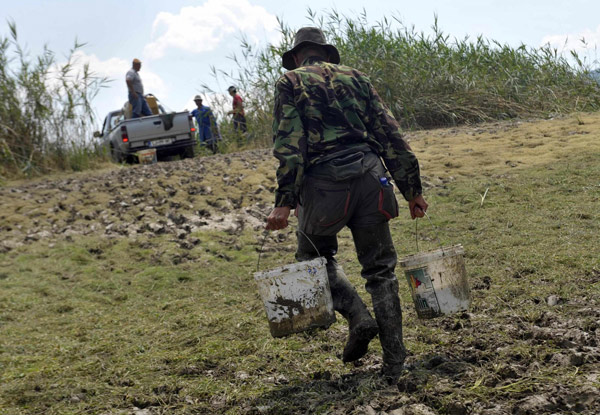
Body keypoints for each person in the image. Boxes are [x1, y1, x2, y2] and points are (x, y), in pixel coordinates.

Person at [265, 27, 428, 383]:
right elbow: (391, 134)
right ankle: (395, 362)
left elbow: (290, 146)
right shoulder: (357, 79)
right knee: (380, 271)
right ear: (326, 53)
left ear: (296, 56)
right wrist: (412, 189)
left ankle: (357, 317)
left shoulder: (289, 82)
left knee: (313, 259)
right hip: (372, 179)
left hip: (325, 188)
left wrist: (284, 201)